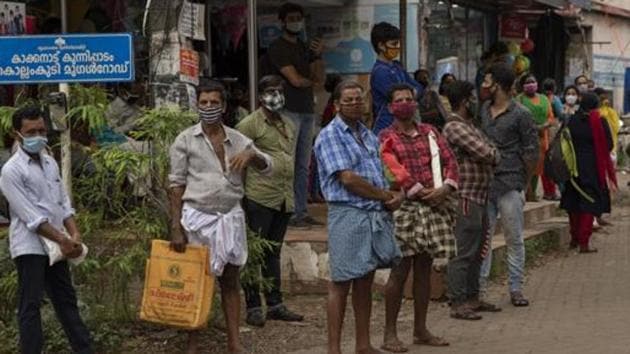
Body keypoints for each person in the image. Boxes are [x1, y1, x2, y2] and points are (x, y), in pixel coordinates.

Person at [169, 81, 273, 354]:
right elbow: (176, 184)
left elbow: (268, 166)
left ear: (224, 106)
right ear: (197, 105)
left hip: (230, 217)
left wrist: (252, 155)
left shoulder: (238, 139)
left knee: (230, 280)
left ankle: (234, 342)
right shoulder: (185, 140)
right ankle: (193, 343)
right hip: (197, 219)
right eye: (204, 103)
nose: (208, 107)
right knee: (196, 283)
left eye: (214, 103)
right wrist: (175, 227)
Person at [314, 80, 403, 354]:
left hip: (373, 213)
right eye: (348, 100)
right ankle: (334, 349)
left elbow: (379, 174)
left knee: (365, 281)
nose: (355, 103)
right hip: (348, 214)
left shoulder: (368, 135)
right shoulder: (330, 135)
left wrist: (391, 196)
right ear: (337, 105)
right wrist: (385, 196)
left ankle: (363, 345)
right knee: (340, 283)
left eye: (358, 99)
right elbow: (348, 179)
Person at [0, 105, 93, 354]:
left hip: (59, 244)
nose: (38, 136)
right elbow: (29, 215)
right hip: (30, 246)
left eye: (41, 130)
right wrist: (63, 239)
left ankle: (84, 349)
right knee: (30, 305)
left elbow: (63, 203)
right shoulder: (11, 171)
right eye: (31, 132)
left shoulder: (50, 162)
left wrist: (74, 235)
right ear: (17, 134)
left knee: (66, 301)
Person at [379, 83, 458, 351]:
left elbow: (450, 162)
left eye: (409, 99)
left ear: (415, 104)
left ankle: (420, 330)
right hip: (405, 208)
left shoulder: (431, 132)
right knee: (400, 270)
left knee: (424, 268)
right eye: (399, 99)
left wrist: (446, 187)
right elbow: (392, 169)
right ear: (390, 107)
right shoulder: (385, 136)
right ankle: (390, 334)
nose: (405, 103)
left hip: (435, 206)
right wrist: (419, 190)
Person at [235, 75, 303, 327]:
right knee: (254, 253)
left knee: (273, 252)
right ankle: (253, 305)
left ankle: (275, 304)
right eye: (271, 91)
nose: (276, 96)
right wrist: (240, 198)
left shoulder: (288, 123)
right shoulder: (249, 125)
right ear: (261, 95)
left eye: (279, 91)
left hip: (283, 197)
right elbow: (239, 163)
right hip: (258, 197)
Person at [478, 63, 539, 307]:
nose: (483, 86)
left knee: (514, 238)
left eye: (488, 81)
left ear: (499, 86)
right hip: (485, 183)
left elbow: (531, 152)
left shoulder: (521, 114)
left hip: (511, 184)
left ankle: (515, 288)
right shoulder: (483, 109)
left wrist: (525, 185)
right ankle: (480, 290)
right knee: (484, 239)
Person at [443, 81, 501, 321]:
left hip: (480, 195)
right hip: (466, 195)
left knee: (478, 251)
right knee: (464, 252)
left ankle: (472, 297)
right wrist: (492, 154)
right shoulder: (455, 127)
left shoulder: (469, 126)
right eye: (473, 98)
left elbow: (490, 149)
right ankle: (457, 301)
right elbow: (487, 152)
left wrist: (492, 152)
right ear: (466, 101)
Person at [267, 2, 325, 228]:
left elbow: (319, 77)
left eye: (298, 18)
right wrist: (311, 81)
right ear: (282, 21)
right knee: (287, 163)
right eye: (291, 18)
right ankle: (287, 210)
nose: (296, 22)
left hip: (306, 110)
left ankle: (300, 210)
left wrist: (318, 56)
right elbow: (296, 80)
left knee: (303, 164)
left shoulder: (303, 47)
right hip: (288, 109)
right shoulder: (278, 47)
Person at [560, 92, 617, 252]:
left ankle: (574, 239)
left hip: (572, 166)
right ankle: (584, 242)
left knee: (573, 202)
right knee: (588, 203)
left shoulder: (571, 120)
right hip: (592, 168)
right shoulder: (599, 121)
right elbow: (609, 145)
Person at [370, 22, 424, 135]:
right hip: (386, 126)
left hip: (403, 126)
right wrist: (411, 93)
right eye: (394, 44)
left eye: (398, 43)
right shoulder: (380, 72)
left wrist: (412, 92)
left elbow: (419, 88)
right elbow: (397, 96)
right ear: (381, 46)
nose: (397, 47)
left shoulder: (397, 66)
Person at [517, 74, 557, 201]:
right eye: (528, 82)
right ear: (523, 86)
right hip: (524, 137)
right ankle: (527, 193)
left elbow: (551, 116)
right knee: (526, 166)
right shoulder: (519, 100)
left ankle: (532, 192)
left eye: (533, 81)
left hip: (541, 137)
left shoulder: (544, 99)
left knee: (538, 166)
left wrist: (544, 125)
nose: (531, 84)